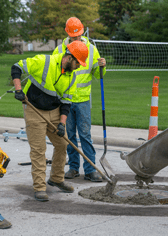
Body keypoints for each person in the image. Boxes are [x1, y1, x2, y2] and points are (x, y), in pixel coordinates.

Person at [11, 41, 89, 202]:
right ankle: (39, 188)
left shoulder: (71, 77)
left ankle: (56, 179)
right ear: (69, 58)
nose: (78, 67)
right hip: (33, 109)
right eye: (77, 63)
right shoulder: (44, 61)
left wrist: (61, 123)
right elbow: (16, 67)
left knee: (62, 144)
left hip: (54, 111)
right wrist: (18, 89)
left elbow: (67, 102)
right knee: (39, 149)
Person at [53, 17, 106, 182]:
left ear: (82, 33)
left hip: (82, 100)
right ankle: (74, 168)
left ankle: (90, 169)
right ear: (67, 33)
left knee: (85, 134)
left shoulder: (91, 49)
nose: (76, 39)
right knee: (69, 136)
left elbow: (98, 75)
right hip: (65, 100)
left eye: (78, 36)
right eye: (73, 37)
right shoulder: (60, 50)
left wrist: (102, 67)